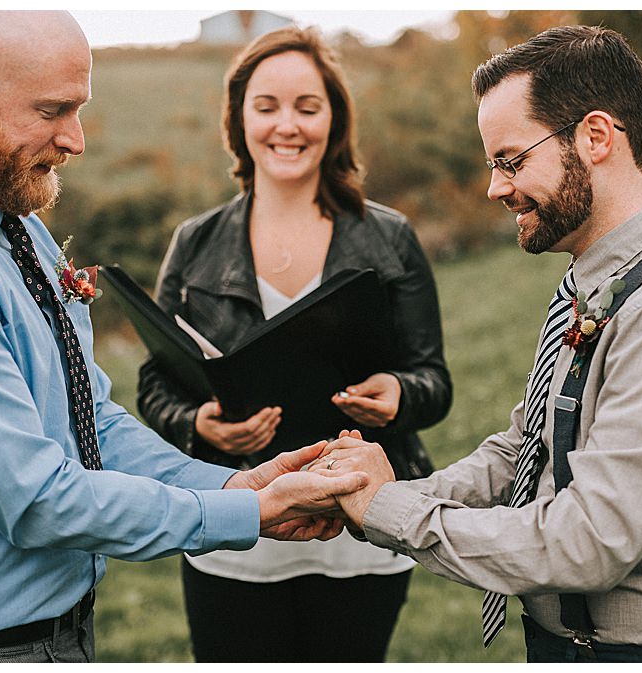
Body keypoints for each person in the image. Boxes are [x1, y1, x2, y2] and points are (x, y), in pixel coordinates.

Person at [0, 11, 368, 664]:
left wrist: (234, 487)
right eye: (53, 109)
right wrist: (247, 516)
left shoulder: (17, 229)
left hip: (58, 637)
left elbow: (89, 425)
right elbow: (35, 499)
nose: (75, 140)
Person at [315, 25, 642, 663]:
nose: (495, 188)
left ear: (595, 137)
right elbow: (528, 451)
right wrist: (389, 492)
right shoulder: (591, 280)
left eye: (511, 161)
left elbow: (588, 542)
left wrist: (387, 511)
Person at [135, 27, 452, 663]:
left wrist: (396, 396)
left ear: (334, 120)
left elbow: (432, 380)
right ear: (239, 120)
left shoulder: (389, 237)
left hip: (362, 531)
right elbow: (156, 384)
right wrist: (201, 424)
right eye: (267, 106)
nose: (289, 125)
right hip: (236, 534)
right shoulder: (195, 243)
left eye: (308, 107)